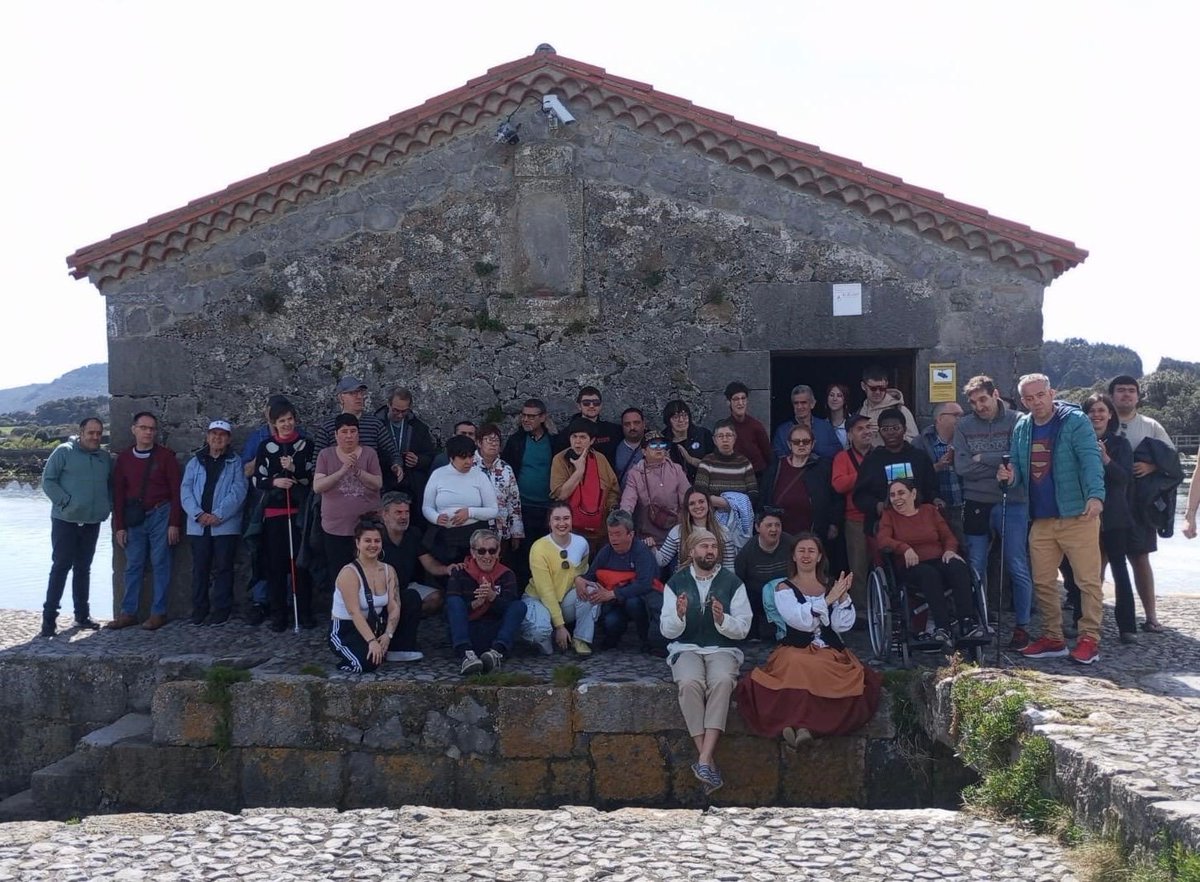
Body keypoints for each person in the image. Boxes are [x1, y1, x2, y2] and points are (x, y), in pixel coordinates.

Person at [998, 373, 1105, 665]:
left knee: (1087, 581)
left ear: (1051, 392)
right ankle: (1052, 637)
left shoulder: (1075, 421)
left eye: (1040, 396)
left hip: (1078, 514)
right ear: (1023, 400)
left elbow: (1090, 459)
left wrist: (1096, 496)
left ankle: (1089, 639)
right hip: (1042, 518)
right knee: (1042, 580)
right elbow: (1020, 471)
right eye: (1029, 398)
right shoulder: (1022, 425)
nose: (1036, 402)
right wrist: (1009, 477)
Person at [735, 533, 882, 746]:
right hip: (795, 647)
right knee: (798, 663)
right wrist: (830, 598)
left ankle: (805, 728)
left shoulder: (832, 585)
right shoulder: (784, 588)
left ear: (819, 556)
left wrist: (841, 599)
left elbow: (842, 625)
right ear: (793, 556)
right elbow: (800, 621)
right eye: (801, 551)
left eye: (811, 551)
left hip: (828, 649)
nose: (806, 555)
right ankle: (794, 723)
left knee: (821, 665)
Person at [660, 528, 752, 795]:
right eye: (703, 546)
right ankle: (707, 759)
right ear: (692, 551)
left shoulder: (732, 582)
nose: (709, 551)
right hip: (686, 646)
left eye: (713, 546)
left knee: (722, 681)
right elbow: (666, 630)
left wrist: (723, 620)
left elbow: (744, 627)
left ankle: (703, 759)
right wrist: (679, 616)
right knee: (689, 683)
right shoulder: (676, 583)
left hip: (722, 648)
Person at [953, 375, 1034, 650]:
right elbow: (962, 467)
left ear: (995, 394)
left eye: (983, 399)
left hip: (1013, 501)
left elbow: (1019, 459)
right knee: (976, 564)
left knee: (1016, 564)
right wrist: (997, 461)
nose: (979, 406)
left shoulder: (1018, 421)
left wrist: (982, 458)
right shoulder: (964, 425)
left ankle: (1022, 626)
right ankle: (980, 620)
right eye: (973, 402)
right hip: (975, 500)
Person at [876, 478, 986, 649]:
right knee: (929, 574)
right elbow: (883, 540)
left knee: (958, 566)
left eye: (901, 493)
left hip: (938, 558)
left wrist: (950, 549)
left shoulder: (929, 511)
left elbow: (948, 535)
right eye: (892, 495)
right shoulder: (889, 516)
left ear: (913, 494)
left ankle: (967, 623)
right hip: (911, 566)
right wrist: (904, 548)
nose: (896, 498)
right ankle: (942, 628)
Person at [1109, 374, 1179, 633]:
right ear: (1112, 395)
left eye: (1130, 391)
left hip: (1140, 505)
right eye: (1120, 390)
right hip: (1108, 502)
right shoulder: (1103, 420)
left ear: (1138, 396)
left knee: (1140, 558)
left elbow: (1172, 462)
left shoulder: (1151, 425)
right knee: (1099, 558)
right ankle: (1090, 620)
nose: (1126, 395)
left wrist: (1151, 465)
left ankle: (1151, 617)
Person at [1071, 393, 1138, 643]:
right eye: (1092, 411)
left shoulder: (1121, 444)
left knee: (1120, 570)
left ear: (1110, 415)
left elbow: (1124, 478)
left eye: (1101, 411)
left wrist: (1105, 459)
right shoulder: (1075, 441)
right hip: (1084, 514)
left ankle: (1127, 626)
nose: (1097, 416)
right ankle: (1081, 621)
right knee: (1082, 571)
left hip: (1114, 516)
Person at [108, 412, 183, 631]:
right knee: (133, 565)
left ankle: (158, 613)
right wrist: (119, 527)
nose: (148, 432)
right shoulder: (124, 459)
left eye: (152, 428)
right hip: (135, 518)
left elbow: (176, 491)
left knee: (161, 563)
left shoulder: (166, 456)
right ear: (134, 430)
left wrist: (174, 522)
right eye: (143, 428)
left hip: (161, 513)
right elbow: (118, 495)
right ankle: (128, 613)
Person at [40, 416, 112, 637]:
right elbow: (48, 480)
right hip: (65, 521)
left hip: (91, 522)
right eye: (91, 433)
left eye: (99, 433)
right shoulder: (64, 451)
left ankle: (82, 615)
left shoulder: (104, 457)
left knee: (83, 568)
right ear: (81, 433)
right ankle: (49, 620)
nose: (95, 437)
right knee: (61, 567)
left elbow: (110, 484)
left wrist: (105, 506)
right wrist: (66, 503)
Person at [250, 399, 316, 631]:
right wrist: (276, 480)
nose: (286, 424)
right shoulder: (265, 447)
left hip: (297, 512)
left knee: (300, 564)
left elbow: (310, 478)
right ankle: (279, 615)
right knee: (276, 565)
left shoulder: (305, 445)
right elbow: (258, 478)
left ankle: (304, 612)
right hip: (275, 513)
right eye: (281, 421)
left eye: (289, 419)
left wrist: (295, 470)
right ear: (274, 424)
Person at [181, 420, 247, 626]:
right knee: (200, 568)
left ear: (228, 439)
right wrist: (198, 514)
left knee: (224, 568)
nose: (217, 438)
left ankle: (221, 609)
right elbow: (186, 491)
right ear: (207, 437)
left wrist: (218, 515)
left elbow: (238, 492)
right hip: (198, 525)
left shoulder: (236, 463)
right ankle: (199, 609)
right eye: (214, 434)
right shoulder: (194, 462)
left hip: (224, 525)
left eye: (222, 434)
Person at [574, 510, 664, 652]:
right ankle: (610, 640)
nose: (613, 539)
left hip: (639, 601)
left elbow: (645, 584)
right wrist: (579, 579)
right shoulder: (606, 552)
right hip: (614, 605)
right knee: (611, 622)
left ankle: (646, 640)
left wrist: (613, 593)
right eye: (611, 534)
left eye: (618, 534)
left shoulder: (641, 552)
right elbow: (590, 575)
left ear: (631, 534)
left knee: (633, 603)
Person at [444, 528, 527, 675]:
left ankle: (496, 653)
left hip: (494, 631)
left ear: (498, 551)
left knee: (519, 606)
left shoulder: (507, 574)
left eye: (492, 550)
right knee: (454, 601)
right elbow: (448, 612)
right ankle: (466, 655)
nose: (487, 555)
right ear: (473, 552)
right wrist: (475, 604)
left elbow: (511, 610)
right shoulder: (459, 572)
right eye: (481, 551)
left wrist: (492, 597)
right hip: (468, 630)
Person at [521, 502, 599, 655]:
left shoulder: (581, 543)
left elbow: (583, 572)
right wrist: (560, 627)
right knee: (541, 635)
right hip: (538, 599)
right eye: (557, 519)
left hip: (564, 600)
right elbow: (545, 591)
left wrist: (578, 578)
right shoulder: (539, 548)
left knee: (591, 591)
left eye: (566, 518)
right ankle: (548, 633)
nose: (562, 523)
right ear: (549, 522)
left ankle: (580, 638)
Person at [314, 413, 384, 581]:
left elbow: (378, 483)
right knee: (339, 575)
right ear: (336, 435)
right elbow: (318, 486)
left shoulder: (369, 453)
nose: (349, 436)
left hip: (366, 527)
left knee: (368, 574)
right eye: (344, 432)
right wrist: (342, 471)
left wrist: (358, 472)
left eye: (353, 431)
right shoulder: (325, 455)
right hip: (335, 528)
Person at [329, 519, 400, 674]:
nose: (373, 545)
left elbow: (394, 606)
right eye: (367, 541)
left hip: (374, 625)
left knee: (376, 658)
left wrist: (388, 634)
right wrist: (372, 642)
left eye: (377, 541)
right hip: (346, 628)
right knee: (365, 664)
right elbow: (354, 611)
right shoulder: (349, 573)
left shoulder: (389, 571)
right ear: (357, 543)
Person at [852, 408, 938, 535]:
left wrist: (936, 499)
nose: (890, 433)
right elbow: (860, 496)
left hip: (918, 525)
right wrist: (877, 506)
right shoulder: (871, 461)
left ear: (904, 429)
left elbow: (932, 488)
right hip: (881, 527)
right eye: (885, 429)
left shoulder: (920, 457)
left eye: (895, 428)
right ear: (879, 432)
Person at [422, 434, 500, 566]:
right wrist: (436, 517)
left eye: (471, 456)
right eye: (463, 457)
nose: (468, 462)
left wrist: (469, 512)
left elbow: (493, 510)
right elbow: (427, 507)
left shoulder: (480, 476)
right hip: (445, 537)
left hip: (472, 536)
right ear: (452, 458)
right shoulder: (438, 474)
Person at [378, 491, 454, 621]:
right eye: (398, 512)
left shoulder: (413, 533)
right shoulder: (374, 536)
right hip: (380, 591)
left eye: (406, 512)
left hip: (406, 587)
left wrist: (447, 569)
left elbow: (428, 563)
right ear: (385, 514)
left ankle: (403, 618)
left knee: (436, 598)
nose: (404, 517)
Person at [761, 424, 842, 542]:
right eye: (796, 441)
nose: (801, 445)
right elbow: (764, 495)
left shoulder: (824, 467)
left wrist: (834, 523)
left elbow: (836, 497)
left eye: (806, 441)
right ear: (789, 444)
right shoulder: (776, 467)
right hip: (780, 534)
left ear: (813, 444)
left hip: (813, 533)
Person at [549, 418, 619, 553]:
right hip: (569, 530)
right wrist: (579, 471)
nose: (577, 441)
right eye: (574, 437)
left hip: (599, 530)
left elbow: (613, 489)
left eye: (582, 437)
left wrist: (610, 509)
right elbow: (561, 494)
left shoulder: (600, 459)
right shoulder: (560, 459)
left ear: (591, 440)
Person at [314, 377, 399, 483]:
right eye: (353, 393)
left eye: (360, 393)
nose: (359, 397)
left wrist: (396, 464)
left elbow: (391, 451)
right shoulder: (328, 427)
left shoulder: (375, 424)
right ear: (341, 398)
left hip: (369, 487)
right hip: (337, 489)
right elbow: (317, 465)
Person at [502, 397, 560, 550]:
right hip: (522, 507)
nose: (526, 419)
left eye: (531, 416)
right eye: (524, 415)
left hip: (547, 507)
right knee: (522, 553)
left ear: (542, 417)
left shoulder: (555, 441)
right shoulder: (516, 441)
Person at [831, 414, 874, 615]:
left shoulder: (879, 454)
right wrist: (866, 474)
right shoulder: (842, 458)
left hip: (884, 517)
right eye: (860, 429)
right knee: (858, 567)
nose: (866, 431)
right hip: (855, 519)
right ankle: (862, 612)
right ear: (849, 435)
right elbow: (839, 484)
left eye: (868, 427)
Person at [618, 429, 689, 547]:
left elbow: (687, 499)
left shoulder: (676, 469)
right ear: (644, 451)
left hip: (676, 534)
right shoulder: (635, 474)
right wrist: (623, 521)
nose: (658, 448)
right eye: (653, 445)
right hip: (648, 537)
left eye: (662, 444)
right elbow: (627, 502)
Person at [734, 507, 794, 640]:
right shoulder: (747, 552)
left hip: (787, 594)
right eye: (769, 525)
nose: (774, 529)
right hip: (758, 596)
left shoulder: (791, 543)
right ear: (757, 527)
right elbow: (739, 580)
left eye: (777, 525)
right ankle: (753, 634)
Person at [694, 419, 758, 543]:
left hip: (739, 522)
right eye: (720, 436)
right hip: (713, 522)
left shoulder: (743, 463)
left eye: (729, 435)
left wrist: (731, 505)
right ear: (714, 440)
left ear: (734, 438)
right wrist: (724, 503)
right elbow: (700, 492)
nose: (725, 439)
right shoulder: (707, 462)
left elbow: (753, 494)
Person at [655, 487, 737, 572]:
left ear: (708, 504)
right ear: (687, 508)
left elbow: (729, 567)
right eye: (692, 503)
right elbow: (662, 561)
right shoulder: (677, 531)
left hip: (716, 582)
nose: (697, 506)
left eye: (701, 502)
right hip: (685, 582)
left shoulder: (723, 531)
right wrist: (651, 547)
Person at [474, 424, 524, 559]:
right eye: (488, 440)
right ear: (479, 442)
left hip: (502, 530)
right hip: (476, 528)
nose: (493, 444)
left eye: (496, 440)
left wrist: (516, 533)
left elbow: (514, 502)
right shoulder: (469, 465)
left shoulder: (506, 468)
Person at [920, 401, 966, 547]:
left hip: (965, 505)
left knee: (969, 549)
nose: (961, 419)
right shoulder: (921, 442)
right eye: (956, 415)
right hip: (937, 507)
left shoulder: (966, 438)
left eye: (962, 415)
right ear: (940, 418)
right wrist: (937, 466)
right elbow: (916, 476)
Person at [379, 387, 437, 501]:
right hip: (384, 481)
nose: (400, 415)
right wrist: (391, 462)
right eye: (396, 410)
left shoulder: (419, 428)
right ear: (388, 405)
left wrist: (418, 460)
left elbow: (430, 456)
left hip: (411, 485)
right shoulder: (375, 425)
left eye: (404, 411)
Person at [771, 384, 841, 460]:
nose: (799, 407)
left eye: (803, 402)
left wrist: (814, 450)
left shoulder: (825, 427)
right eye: (796, 403)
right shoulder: (782, 431)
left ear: (812, 404)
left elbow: (838, 453)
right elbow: (778, 458)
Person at [556, 386, 621, 463]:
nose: (591, 405)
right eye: (586, 403)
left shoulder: (613, 430)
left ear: (601, 405)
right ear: (579, 406)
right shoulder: (566, 434)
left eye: (596, 403)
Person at [857, 365, 918, 446]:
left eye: (882, 388)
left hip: (893, 457)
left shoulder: (900, 409)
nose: (878, 392)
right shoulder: (859, 412)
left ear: (887, 384)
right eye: (873, 388)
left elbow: (915, 442)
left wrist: (887, 433)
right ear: (863, 386)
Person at [722, 381, 772, 479]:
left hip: (757, 477)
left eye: (743, 398)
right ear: (728, 402)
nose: (740, 403)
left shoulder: (756, 426)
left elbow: (768, 456)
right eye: (736, 399)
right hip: (732, 476)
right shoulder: (724, 428)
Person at [662, 399, 714, 484]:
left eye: (685, 415)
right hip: (673, 486)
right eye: (676, 417)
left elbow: (714, 466)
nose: (681, 420)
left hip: (703, 485)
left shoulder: (703, 434)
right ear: (668, 420)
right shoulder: (662, 440)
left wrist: (691, 460)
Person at [612, 407, 646, 485]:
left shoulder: (654, 446)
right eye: (627, 424)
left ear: (644, 424)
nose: (632, 427)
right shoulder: (614, 449)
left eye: (636, 423)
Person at [825, 383, 852, 450]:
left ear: (845, 400)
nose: (835, 399)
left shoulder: (853, 423)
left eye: (839, 396)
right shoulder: (823, 425)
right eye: (831, 395)